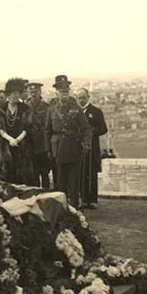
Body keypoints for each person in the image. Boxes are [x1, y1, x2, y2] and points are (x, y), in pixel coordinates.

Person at [45, 75, 91, 209]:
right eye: (61, 91)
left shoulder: (76, 108)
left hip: (73, 149)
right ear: (56, 92)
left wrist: (86, 145)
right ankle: (61, 210)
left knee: (74, 183)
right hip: (58, 150)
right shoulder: (52, 110)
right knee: (60, 183)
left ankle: (75, 211)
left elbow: (86, 128)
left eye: (66, 91)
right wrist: (48, 149)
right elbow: (47, 131)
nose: (64, 94)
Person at [76, 88, 108, 209]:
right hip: (79, 148)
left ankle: (92, 200)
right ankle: (82, 200)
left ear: (88, 97)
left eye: (83, 97)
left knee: (92, 173)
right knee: (80, 173)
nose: (81, 100)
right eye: (79, 98)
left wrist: (92, 132)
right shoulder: (75, 112)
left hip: (93, 148)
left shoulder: (96, 111)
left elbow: (104, 129)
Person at [0, 78, 33, 184]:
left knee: (22, 175)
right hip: (6, 146)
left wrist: (17, 140)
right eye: (13, 93)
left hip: (22, 146)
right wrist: (10, 139)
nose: (16, 96)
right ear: (8, 94)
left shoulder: (24, 108)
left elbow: (27, 128)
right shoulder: (2, 109)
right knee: (8, 174)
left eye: (18, 93)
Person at [26, 82, 52, 189]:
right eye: (31, 92)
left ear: (40, 92)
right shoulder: (25, 107)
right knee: (34, 172)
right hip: (30, 143)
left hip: (43, 143)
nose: (33, 94)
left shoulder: (46, 107)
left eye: (35, 92)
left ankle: (46, 192)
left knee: (44, 171)